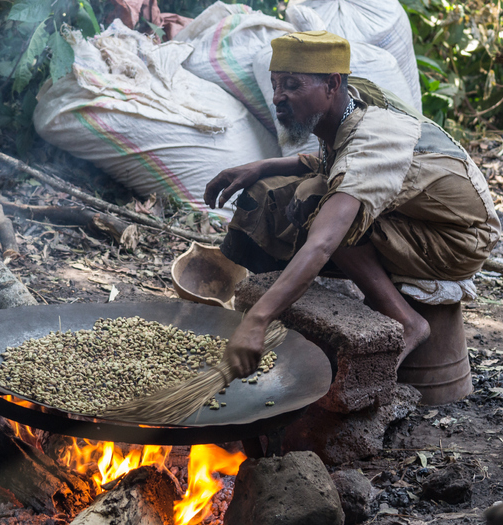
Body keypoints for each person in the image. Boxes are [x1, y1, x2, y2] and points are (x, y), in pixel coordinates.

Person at [204, 30, 501, 378]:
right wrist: (261, 165)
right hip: (417, 214)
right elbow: (331, 162)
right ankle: (289, 293)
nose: (277, 97)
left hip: (457, 239)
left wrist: (257, 320)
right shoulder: (349, 101)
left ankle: (406, 322)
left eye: (291, 85)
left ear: (331, 85)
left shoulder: (374, 139)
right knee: (269, 190)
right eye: (275, 84)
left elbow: (323, 241)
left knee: (319, 209)